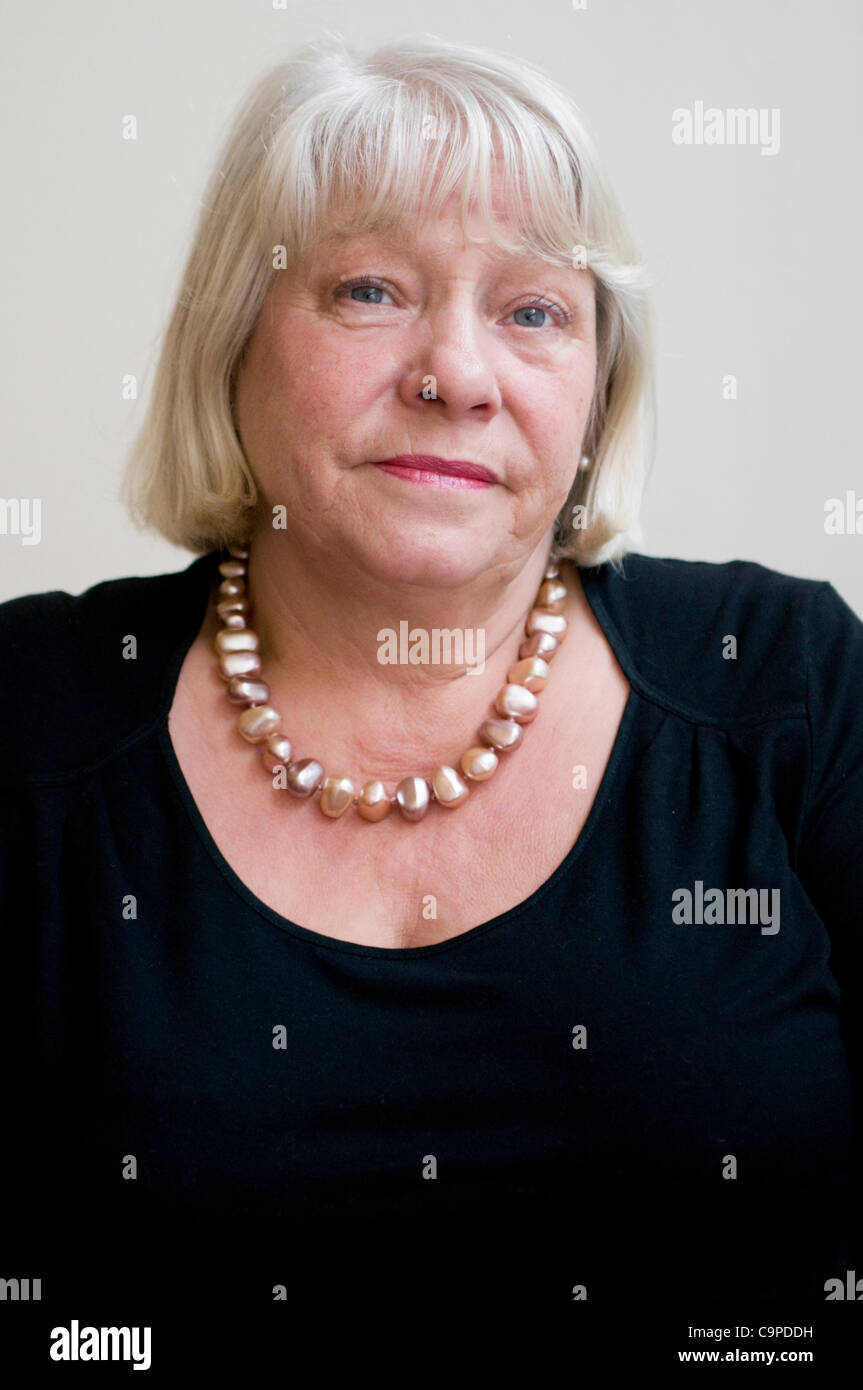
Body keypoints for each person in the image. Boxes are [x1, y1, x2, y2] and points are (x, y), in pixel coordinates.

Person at [1, 33, 861, 1344]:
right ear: (234, 341)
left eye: (532, 311)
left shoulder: (784, 679)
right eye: (368, 289)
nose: (456, 374)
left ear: (594, 389)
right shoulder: (31, 714)